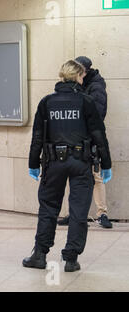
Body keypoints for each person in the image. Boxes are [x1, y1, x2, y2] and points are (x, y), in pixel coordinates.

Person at [23, 60, 112, 273]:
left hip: (53, 163)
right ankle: (71, 258)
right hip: (81, 163)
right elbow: (99, 135)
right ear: (78, 76)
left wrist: (33, 163)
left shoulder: (47, 102)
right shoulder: (87, 102)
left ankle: (40, 255)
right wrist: (106, 164)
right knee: (79, 210)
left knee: (48, 208)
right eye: (82, 77)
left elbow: (37, 137)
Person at [58, 56, 112, 229]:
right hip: (76, 139)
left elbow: (97, 114)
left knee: (96, 176)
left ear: (85, 72)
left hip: (90, 138)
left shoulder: (95, 86)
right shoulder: (78, 86)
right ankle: (74, 213)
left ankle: (102, 213)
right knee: (74, 175)